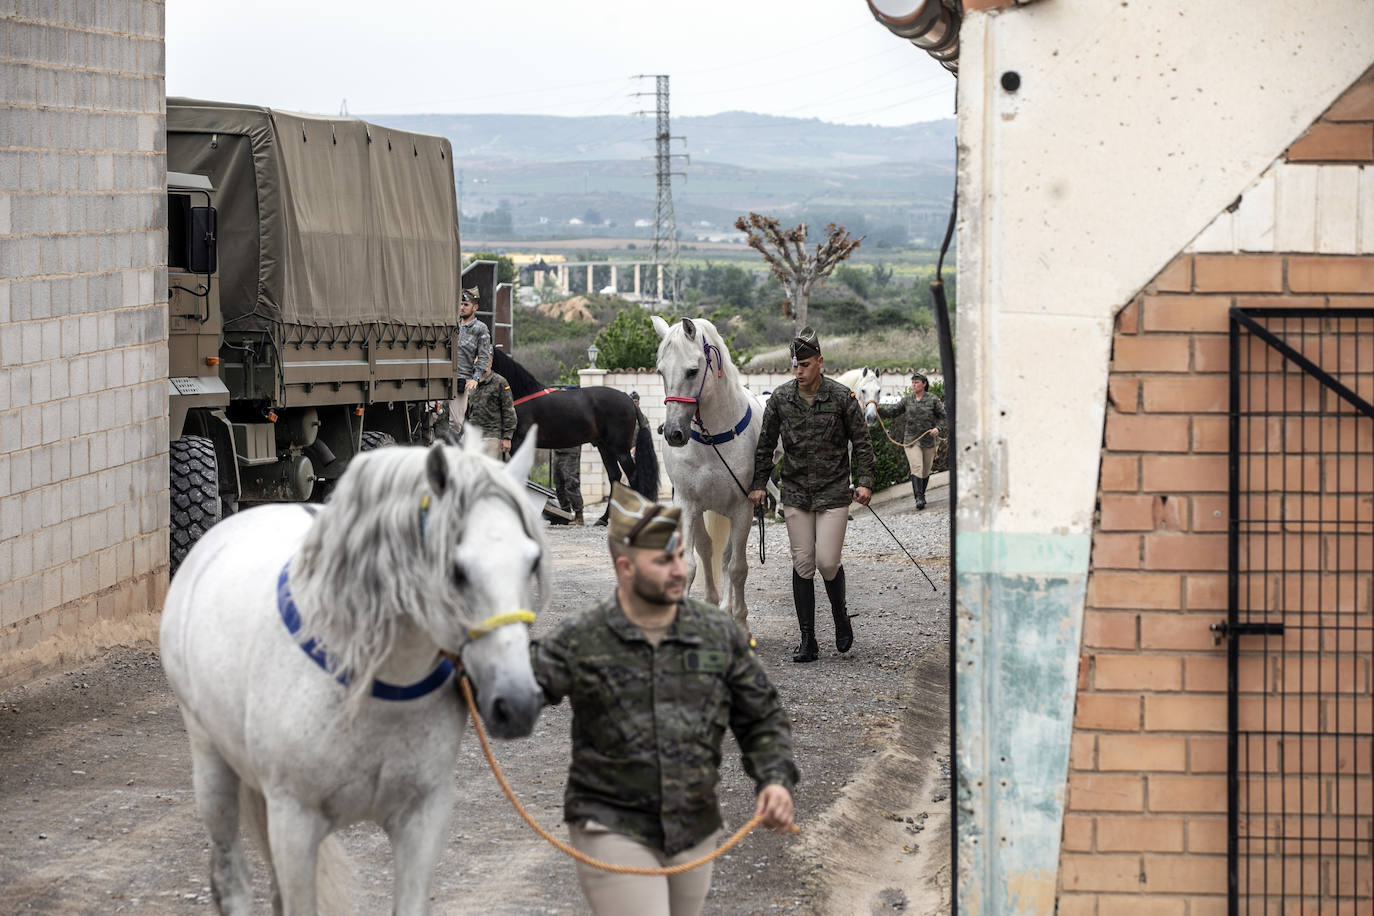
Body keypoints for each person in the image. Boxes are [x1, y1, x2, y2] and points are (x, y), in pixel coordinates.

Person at [531, 482, 798, 916]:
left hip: (692, 825)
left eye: (680, 555)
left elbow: (761, 716)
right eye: (663, 560)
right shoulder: (584, 636)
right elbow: (515, 700)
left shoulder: (717, 633)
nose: (680, 570)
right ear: (625, 568)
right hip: (610, 823)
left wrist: (774, 779)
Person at [748, 327, 874, 663]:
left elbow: (862, 443)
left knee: (827, 562)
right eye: (794, 366)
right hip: (795, 492)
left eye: (804, 364)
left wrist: (865, 482)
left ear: (820, 361)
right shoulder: (780, 399)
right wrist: (759, 484)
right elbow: (764, 446)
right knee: (803, 563)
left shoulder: (841, 397)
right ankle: (808, 640)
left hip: (833, 491)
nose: (799, 371)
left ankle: (840, 617)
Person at [878, 371, 946, 510]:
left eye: (917, 382)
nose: (914, 384)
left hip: (929, 439)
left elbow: (944, 417)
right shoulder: (907, 400)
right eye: (913, 382)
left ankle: (922, 494)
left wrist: (938, 428)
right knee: (917, 467)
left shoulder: (933, 399)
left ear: (924, 384)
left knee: (926, 470)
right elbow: (893, 412)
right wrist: (876, 409)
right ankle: (918, 498)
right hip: (911, 440)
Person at [450, 286, 492, 438]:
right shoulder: (451, 324)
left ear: (475, 307)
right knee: (430, 414)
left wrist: (475, 378)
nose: (462, 307)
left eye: (466, 305)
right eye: (460, 304)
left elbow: (483, 356)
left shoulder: (480, 329)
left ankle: (451, 450)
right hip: (442, 376)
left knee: (455, 423)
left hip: (462, 378)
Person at [464, 367, 516, 459]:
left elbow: (508, 410)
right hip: (473, 437)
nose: (477, 362)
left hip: (492, 436)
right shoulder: (471, 382)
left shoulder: (500, 382)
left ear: (490, 361)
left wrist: (507, 437)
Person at [553, 445, 585, 526]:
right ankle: (565, 515)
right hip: (558, 450)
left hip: (570, 449)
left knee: (571, 483)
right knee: (558, 483)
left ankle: (579, 516)